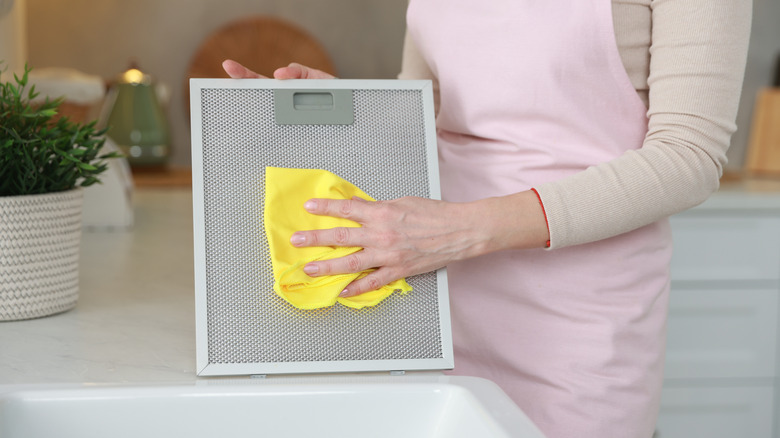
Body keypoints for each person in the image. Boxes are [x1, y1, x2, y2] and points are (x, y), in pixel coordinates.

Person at [223, 1, 751, 436]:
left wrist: (457, 232)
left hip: (577, 321)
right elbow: (427, 120)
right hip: (431, 301)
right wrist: (347, 111)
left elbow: (688, 156)